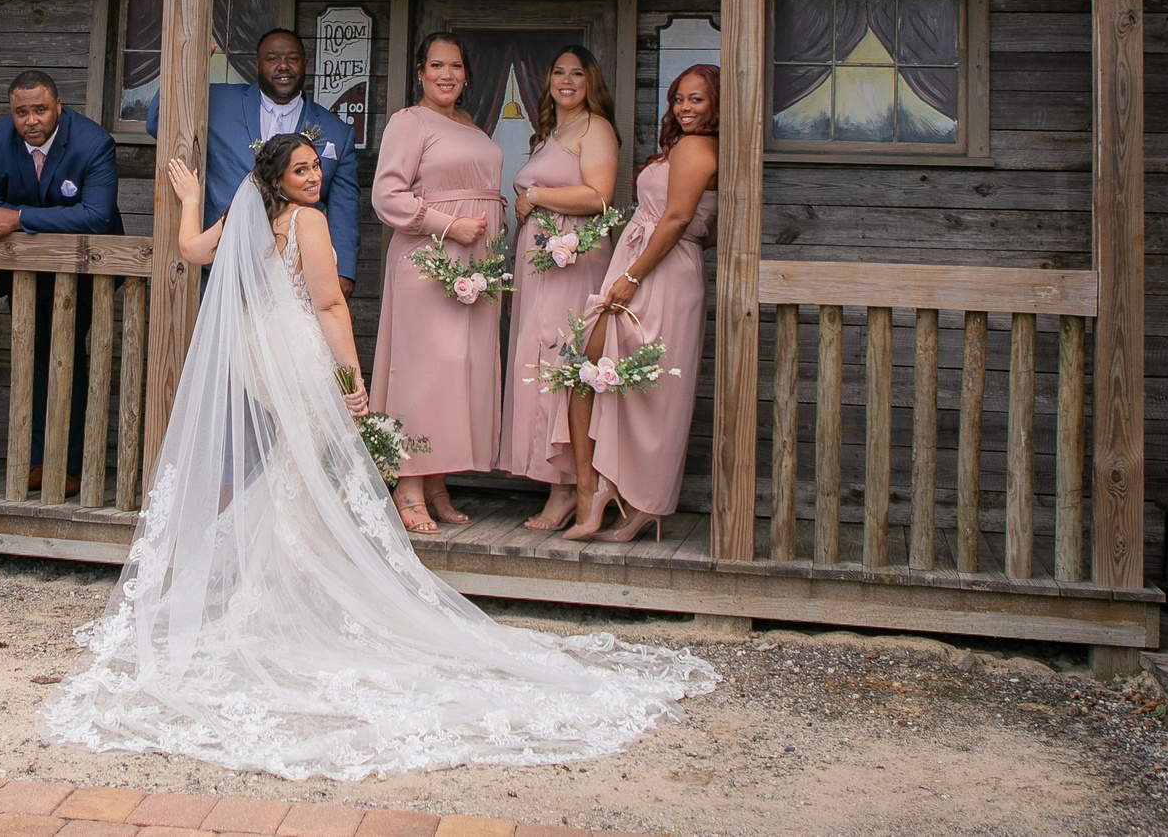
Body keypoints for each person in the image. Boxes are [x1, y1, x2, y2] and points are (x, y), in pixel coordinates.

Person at [36, 136, 714, 780]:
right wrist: (351, 378)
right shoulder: (306, 221)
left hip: (253, 354)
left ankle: (278, 585)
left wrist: (190, 200)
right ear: (278, 180)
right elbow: (330, 304)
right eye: (301, 170)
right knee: (306, 470)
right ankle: (290, 589)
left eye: (315, 167)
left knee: (295, 470)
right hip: (295, 351)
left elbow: (190, 250)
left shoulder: (245, 216)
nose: (314, 178)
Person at [556, 64, 719, 545]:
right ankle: (601, 488)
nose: (684, 108)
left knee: (646, 389)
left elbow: (677, 218)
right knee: (597, 371)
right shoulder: (685, 147)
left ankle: (636, 499)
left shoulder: (698, 147)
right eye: (678, 98)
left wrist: (631, 276)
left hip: (656, 273)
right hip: (647, 264)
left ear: (716, 104)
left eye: (696, 99)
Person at [368, 32, 505, 536]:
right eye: (436, 66)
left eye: (456, 66)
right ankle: (406, 485)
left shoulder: (470, 124)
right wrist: (448, 226)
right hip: (430, 261)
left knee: (459, 371)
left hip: (476, 263)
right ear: (420, 72)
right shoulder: (410, 121)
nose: (447, 75)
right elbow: (387, 195)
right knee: (425, 372)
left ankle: (437, 483)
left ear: (466, 75)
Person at [0, 69, 120, 491]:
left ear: (58, 107)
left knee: (67, 359)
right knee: (31, 360)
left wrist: (18, 217)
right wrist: (22, 220)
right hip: (24, 275)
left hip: (85, 275)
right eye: (21, 112)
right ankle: (36, 459)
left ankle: (68, 465)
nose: (31, 120)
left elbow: (96, 215)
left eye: (40, 110)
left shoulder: (92, 142)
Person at [501, 45, 620, 532]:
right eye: (558, 72)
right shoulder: (550, 132)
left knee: (559, 360)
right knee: (536, 358)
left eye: (577, 73)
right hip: (543, 263)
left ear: (591, 82)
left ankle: (568, 487)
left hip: (575, 259)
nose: (566, 80)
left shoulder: (596, 128)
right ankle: (556, 480)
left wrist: (535, 195)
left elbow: (598, 196)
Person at [148, 26, 359, 289]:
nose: (283, 66)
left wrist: (344, 274)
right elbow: (158, 123)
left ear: (305, 64)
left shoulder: (337, 131)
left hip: (295, 273)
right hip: (222, 265)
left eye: (292, 58)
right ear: (257, 66)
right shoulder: (218, 101)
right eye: (272, 59)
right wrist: (187, 66)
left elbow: (344, 208)